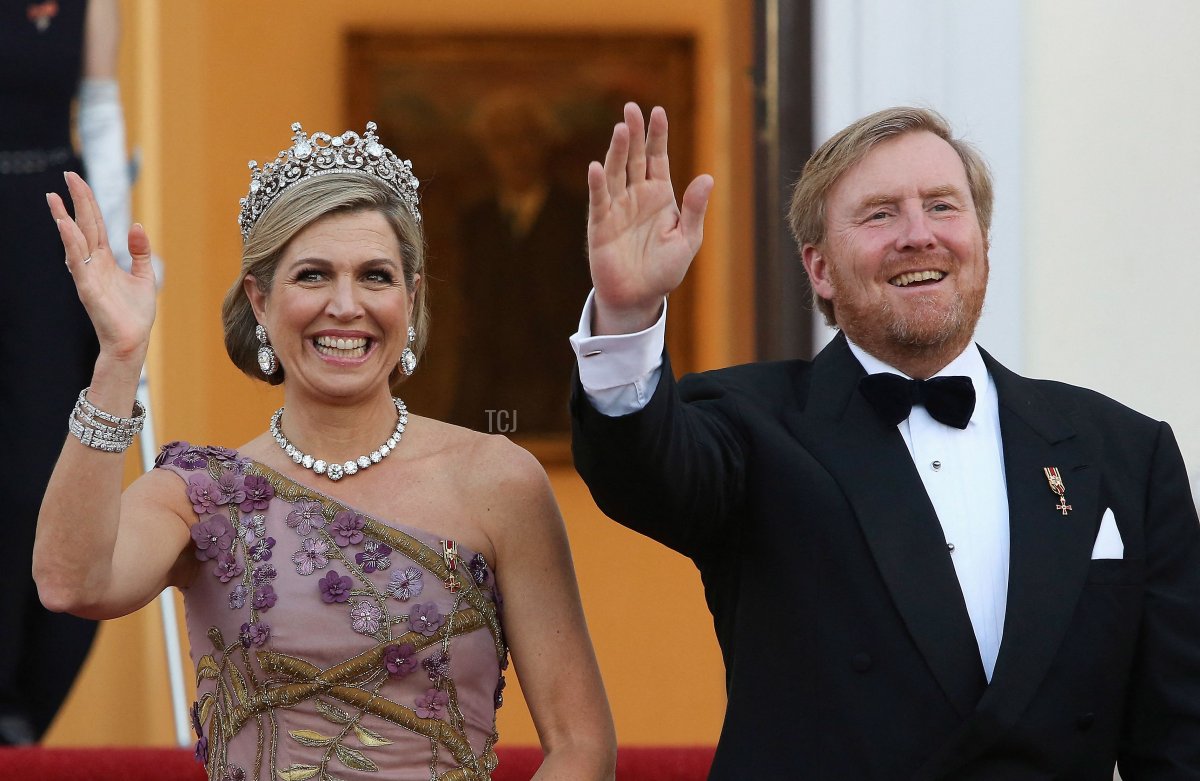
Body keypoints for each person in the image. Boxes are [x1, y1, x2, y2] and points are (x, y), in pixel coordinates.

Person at [570, 103, 1200, 778]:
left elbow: (1178, 736)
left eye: (942, 207)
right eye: (880, 214)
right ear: (820, 270)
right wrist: (629, 316)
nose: (918, 235)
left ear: (983, 243)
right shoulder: (750, 422)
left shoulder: (1127, 452)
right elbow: (644, 469)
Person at [34, 121, 616, 780]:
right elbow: (69, 581)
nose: (346, 305)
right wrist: (118, 357)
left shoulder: (499, 481)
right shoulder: (200, 493)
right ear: (260, 299)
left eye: (375, 275)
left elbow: (581, 744)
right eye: (313, 275)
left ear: (411, 297)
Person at [0, 0, 135, 744]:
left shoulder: (93, 7)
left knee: (42, 467)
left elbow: (103, 117)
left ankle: (22, 701)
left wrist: (111, 255)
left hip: (51, 236)